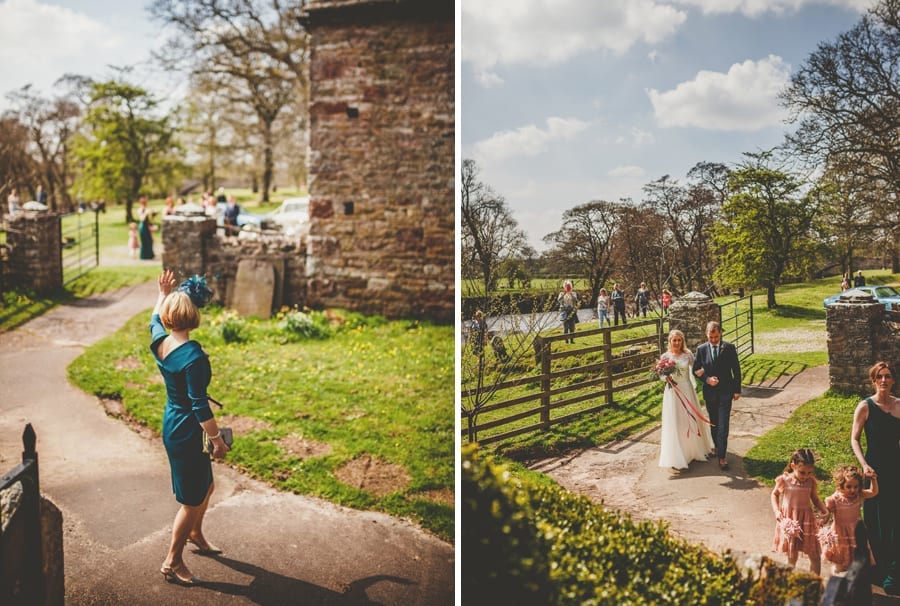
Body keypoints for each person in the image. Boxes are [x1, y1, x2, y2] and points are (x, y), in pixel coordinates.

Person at [150, 270, 228, 586]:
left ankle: (195, 532)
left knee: (205, 485)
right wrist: (217, 439)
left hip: (173, 421)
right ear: (195, 316)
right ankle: (172, 561)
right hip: (187, 429)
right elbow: (199, 405)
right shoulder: (194, 357)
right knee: (191, 500)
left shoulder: (159, 341)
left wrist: (162, 292)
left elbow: (153, 317)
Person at [851, 360, 900, 595]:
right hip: (874, 470)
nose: (884, 380)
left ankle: (893, 569)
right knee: (874, 518)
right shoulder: (865, 406)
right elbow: (854, 439)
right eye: (879, 377)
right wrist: (864, 465)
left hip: (896, 468)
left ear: (893, 380)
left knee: (894, 519)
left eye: (888, 376)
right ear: (873, 380)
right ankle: (875, 569)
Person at [657, 330, 714, 472]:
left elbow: (697, 370)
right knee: (676, 421)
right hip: (673, 392)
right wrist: (666, 378)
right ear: (669, 341)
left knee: (690, 420)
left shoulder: (688, 355)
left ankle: (694, 450)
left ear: (682, 341)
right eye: (674, 340)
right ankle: (678, 454)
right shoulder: (665, 356)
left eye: (679, 340)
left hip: (687, 390)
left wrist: (708, 377)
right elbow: (661, 374)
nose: (677, 343)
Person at [692, 321, 741, 470]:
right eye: (711, 337)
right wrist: (706, 379)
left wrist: (737, 390)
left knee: (723, 426)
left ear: (720, 334)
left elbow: (736, 370)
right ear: (706, 335)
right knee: (714, 423)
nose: (713, 340)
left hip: (726, 392)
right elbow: (696, 369)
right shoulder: (701, 349)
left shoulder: (729, 348)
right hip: (710, 394)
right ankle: (717, 447)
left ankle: (722, 457)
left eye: (716, 337)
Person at [770, 448, 828, 575]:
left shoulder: (810, 482)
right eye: (802, 472)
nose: (806, 476)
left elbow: (816, 499)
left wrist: (825, 511)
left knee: (815, 555)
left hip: (807, 522)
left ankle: (814, 585)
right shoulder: (784, 480)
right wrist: (777, 511)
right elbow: (774, 495)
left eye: (809, 472)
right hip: (791, 522)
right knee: (792, 556)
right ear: (793, 466)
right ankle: (790, 583)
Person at [821, 464, 878, 575]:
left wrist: (873, 480)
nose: (853, 490)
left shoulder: (859, 495)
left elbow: (873, 492)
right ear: (841, 485)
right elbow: (826, 513)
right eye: (849, 487)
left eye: (856, 486)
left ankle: (854, 578)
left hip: (856, 532)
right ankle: (838, 575)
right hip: (840, 533)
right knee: (840, 559)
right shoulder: (835, 499)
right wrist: (824, 520)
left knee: (857, 557)